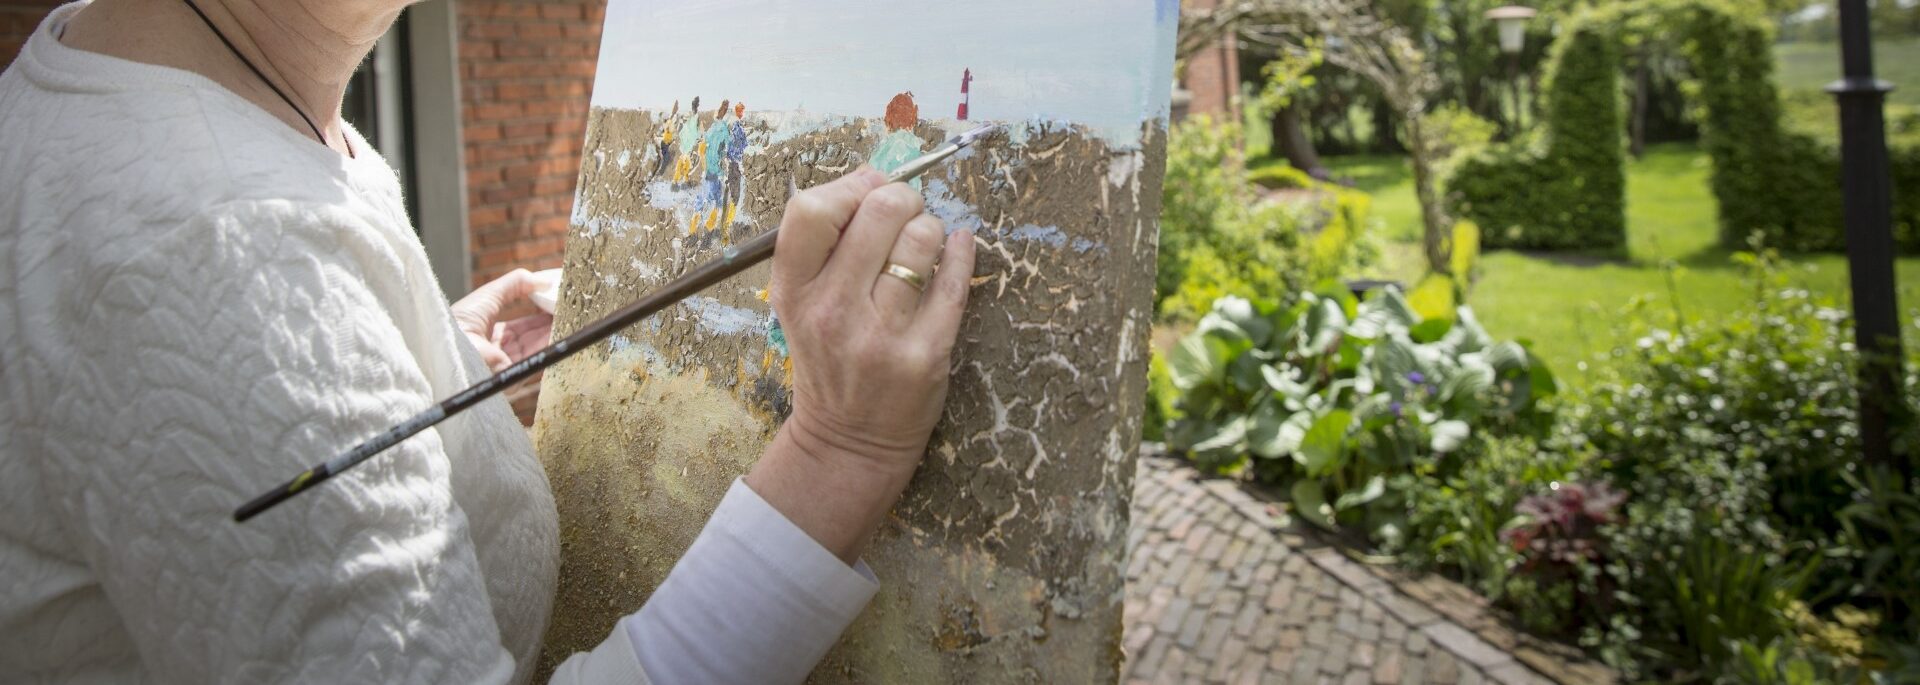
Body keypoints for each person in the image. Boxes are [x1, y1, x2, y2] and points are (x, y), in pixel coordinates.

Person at [0, 1, 976, 684]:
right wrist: (838, 452)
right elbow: (228, 309)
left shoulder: (145, 71)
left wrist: (408, 377)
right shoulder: (228, 250)